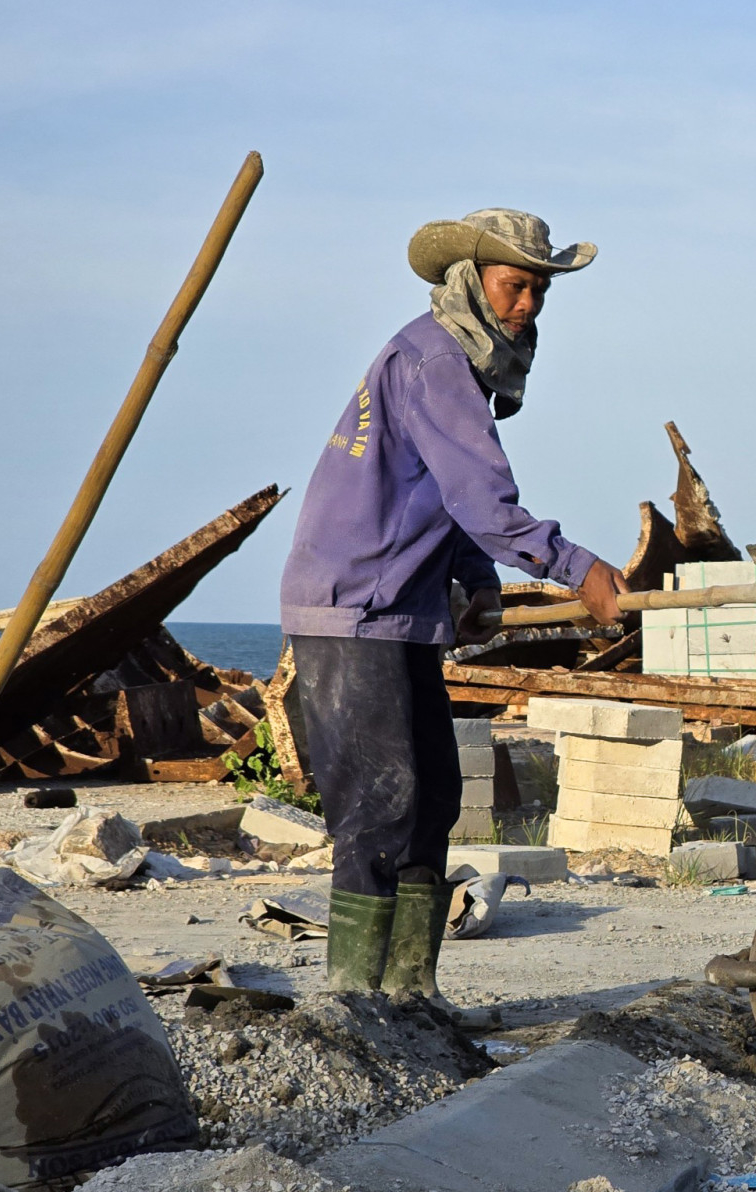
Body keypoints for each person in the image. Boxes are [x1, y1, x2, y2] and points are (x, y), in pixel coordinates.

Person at [278, 208, 630, 1025]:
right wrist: (582, 570)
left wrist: (475, 588)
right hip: (351, 606)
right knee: (381, 803)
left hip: (401, 608)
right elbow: (483, 498)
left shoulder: (459, 367)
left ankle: (412, 995)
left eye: (541, 290)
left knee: (433, 799)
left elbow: (445, 501)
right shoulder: (433, 359)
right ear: (472, 281)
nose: (529, 306)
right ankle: (355, 1005)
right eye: (517, 286)